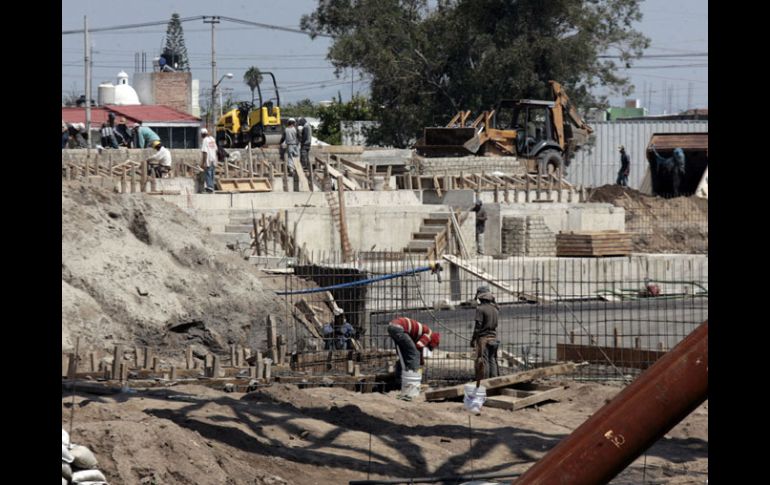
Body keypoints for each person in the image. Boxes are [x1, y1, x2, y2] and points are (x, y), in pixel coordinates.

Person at [471, 286, 500, 381]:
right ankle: (495, 382)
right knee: (493, 360)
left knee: (484, 361)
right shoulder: (495, 309)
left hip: (483, 339)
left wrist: (473, 339)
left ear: (480, 297)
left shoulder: (480, 309)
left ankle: (485, 383)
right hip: (494, 338)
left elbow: (478, 326)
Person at [200, 128, 218, 192]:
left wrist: (203, 162)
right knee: (212, 174)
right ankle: (212, 186)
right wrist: (216, 160)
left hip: (208, 159)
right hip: (213, 159)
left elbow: (205, 152)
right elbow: (216, 150)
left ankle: (209, 187)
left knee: (208, 173)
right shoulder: (212, 139)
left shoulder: (205, 140)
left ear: (202, 134)